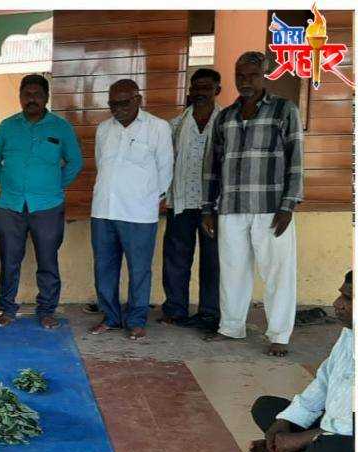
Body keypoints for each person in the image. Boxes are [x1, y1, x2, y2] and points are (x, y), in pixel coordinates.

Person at [202, 51, 303, 357]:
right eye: (240, 76)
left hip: (271, 207)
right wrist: (207, 208)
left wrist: (288, 205)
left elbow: (296, 160)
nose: (245, 81)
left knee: (278, 272)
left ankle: (279, 334)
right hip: (231, 207)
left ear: (264, 76)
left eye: (252, 75)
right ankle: (231, 327)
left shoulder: (284, 110)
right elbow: (212, 165)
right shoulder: (225, 116)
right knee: (232, 270)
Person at [0, 73, 83, 330]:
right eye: (27, 94)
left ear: (46, 97)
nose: (32, 99)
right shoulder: (7, 126)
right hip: (10, 205)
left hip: (48, 206)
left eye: (37, 94)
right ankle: (7, 310)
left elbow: (75, 162)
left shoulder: (60, 127)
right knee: (9, 260)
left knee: (48, 260)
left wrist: (56, 185)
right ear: (20, 97)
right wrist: (7, 183)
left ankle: (47, 311)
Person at [249, 271, 352, 452]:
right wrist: (285, 421)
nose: (337, 304)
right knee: (265, 407)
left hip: (347, 434)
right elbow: (322, 384)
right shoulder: (349, 334)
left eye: (348, 298)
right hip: (331, 426)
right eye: (341, 295)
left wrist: (302, 438)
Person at [88, 79, 173, 341]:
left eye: (123, 103)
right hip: (103, 210)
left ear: (138, 100)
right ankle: (110, 317)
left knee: (139, 270)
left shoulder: (158, 127)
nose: (117, 109)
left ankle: (136, 320)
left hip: (138, 213)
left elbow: (165, 169)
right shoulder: (104, 129)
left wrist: (149, 199)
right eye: (112, 104)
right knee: (104, 268)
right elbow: (101, 164)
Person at [160, 69, 222, 331]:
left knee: (213, 262)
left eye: (206, 87)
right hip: (181, 202)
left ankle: (209, 313)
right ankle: (176, 309)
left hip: (215, 205)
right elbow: (165, 162)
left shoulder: (225, 122)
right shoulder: (175, 125)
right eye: (196, 87)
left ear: (217, 90)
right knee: (176, 259)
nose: (200, 92)